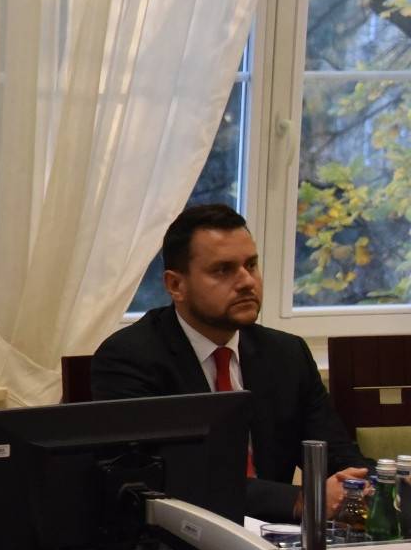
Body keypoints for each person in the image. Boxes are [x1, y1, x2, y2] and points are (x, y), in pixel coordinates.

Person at [91, 203, 369, 522]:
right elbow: (158, 483)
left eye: (251, 265)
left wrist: (373, 484)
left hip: (280, 538)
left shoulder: (286, 354)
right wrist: (299, 500)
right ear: (176, 285)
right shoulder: (130, 359)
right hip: (183, 539)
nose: (247, 281)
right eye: (223, 270)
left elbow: (339, 457)